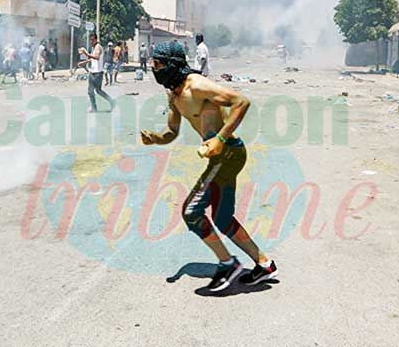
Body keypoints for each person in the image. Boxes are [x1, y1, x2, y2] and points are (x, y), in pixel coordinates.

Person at [141, 41, 277, 292]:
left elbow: (241, 102)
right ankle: (264, 264)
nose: (153, 68)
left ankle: (228, 264)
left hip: (228, 153)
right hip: (224, 156)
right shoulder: (174, 93)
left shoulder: (197, 85)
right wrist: (156, 139)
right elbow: (172, 131)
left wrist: (220, 138)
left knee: (191, 212)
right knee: (223, 218)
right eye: (153, 63)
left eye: (158, 63)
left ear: (172, 64)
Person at [78, 33, 114, 112]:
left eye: (93, 40)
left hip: (98, 73)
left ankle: (112, 102)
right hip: (92, 72)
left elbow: (97, 57)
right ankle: (94, 108)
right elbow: (92, 58)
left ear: (96, 39)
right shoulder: (93, 47)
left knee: (98, 91)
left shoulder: (98, 47)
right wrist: (85, 62)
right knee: (90, 91)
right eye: (90, 40)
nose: (91, 41)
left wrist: (85, 53)